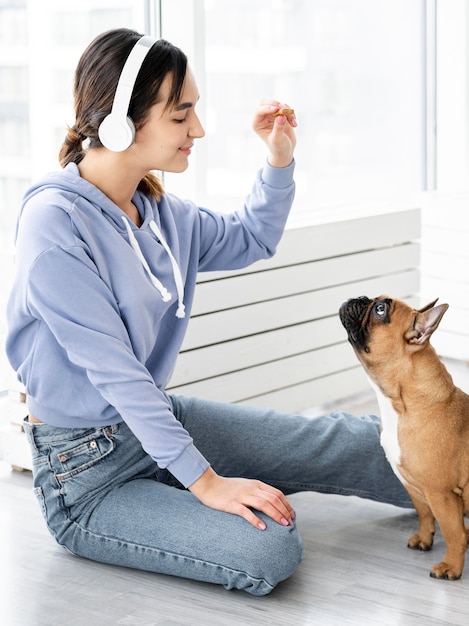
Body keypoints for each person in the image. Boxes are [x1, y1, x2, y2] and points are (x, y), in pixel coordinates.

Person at [5, 27, 411, 597]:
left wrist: (279, 160)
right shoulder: (54, 226)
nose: (197, 129)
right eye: (180, 115)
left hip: (154, 424)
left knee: (359, 441)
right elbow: (117, 372)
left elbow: (252, 237)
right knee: (267, 546)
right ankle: (168, 503)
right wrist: (206, 484)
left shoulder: (161, 211)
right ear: (122, 121)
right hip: (86, 474)